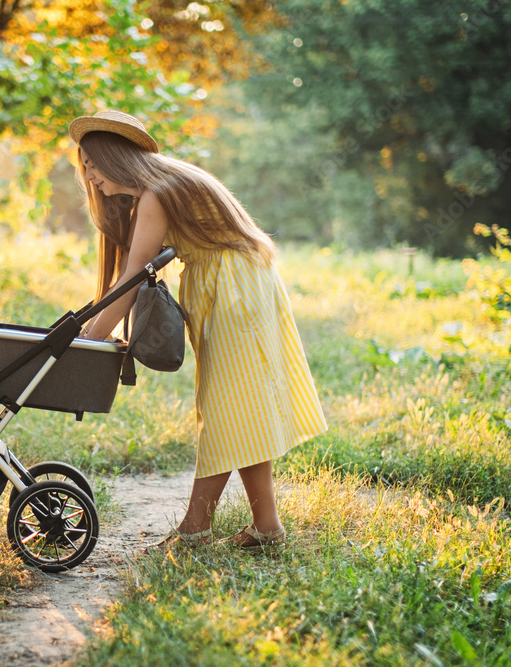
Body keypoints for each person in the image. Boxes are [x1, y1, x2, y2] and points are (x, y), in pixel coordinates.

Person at [69, 110, 328, 549]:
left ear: (114, 159)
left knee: (227, 408)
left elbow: (131, 278)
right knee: (242, 410)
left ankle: (195, 528)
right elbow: (129, 276)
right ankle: (266, 527)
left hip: (232, 289)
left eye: (92, 163)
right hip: (238, 282)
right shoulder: (168, 182)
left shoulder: (155, 195)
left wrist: (87, 341)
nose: (89, 175)